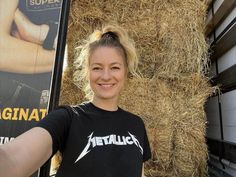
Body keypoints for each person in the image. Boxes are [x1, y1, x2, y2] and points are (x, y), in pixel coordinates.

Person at [0, 24, 151, 177]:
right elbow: (12, 158)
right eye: (97, 68)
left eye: (115, 67)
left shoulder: (136, 124)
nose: (106, 76)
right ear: (87, 72)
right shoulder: (68, 118)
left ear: (126, 71)